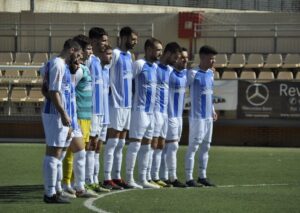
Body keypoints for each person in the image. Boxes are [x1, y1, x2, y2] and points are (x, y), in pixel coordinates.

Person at [41, 39, 90, 203]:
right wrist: (62, 113)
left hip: (66, 115)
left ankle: (66, 188)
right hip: (56, 115)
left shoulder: (64, 66)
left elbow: (48, 88)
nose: (80, 56)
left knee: (75, 150)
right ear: (71, 50)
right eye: (79, 53)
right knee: (54, 153)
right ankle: (50, 194)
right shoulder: (57, 64)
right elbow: (53, 91)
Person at [103, 26, 138, 189]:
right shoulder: (115, 54)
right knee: (112, 142)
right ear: (123, 38)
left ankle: (116, 176)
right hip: (115, 103)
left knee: (121, 142)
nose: (135, 42)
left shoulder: (129, 56)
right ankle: (106, 177)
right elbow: (106, 72)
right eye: (133, 39)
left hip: (126, 104)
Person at [125, 38, 163, 189]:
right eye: (157, 50)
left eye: (160, 50)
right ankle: (129, 178)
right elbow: (127, 82)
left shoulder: (155, 66)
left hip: (151, 112)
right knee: (135, 144)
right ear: (148, 50)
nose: (159, 53)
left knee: (147, 146)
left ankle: (143, 178)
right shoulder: (139, 64)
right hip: (139, 110)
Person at [185, 45, 218, 187]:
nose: (213, 62)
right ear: (202, 58)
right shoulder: (192, 73)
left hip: (208, 117)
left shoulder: (211, 74)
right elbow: (184, 89)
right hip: (197, 117)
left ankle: (202, 176)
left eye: (214, 59)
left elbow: (210, 93)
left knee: (206, 147)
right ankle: (188, 178)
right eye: (211, 58)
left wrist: (213, 110)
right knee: (193, 147)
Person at [149, 42, 181, 187]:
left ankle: (156, 177)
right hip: (154, 111)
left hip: (165, 113)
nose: (176, 60)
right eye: (175, 57)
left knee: (161, 145)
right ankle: (148, 177)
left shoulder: (170, 70)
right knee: (152, 144)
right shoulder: (154, 67)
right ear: (167, 53)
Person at [84, 27, 110, 192]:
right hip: (92, 111)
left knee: (97, 146)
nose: (106, 44)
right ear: (93, 41)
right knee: (90, 145)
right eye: (104, 40)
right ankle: (86, 180)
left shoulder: (102, 65)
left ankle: (94, 179)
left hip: (102, 113)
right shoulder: (89, 61)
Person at [165, 47, 189, 188]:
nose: (185, 60)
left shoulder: (185, 74)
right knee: (171, 146)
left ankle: (164, 176)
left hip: (179, 117)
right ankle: (172, 177)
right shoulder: (169, 73)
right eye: (182, 57)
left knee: (171, 147)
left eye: (186, 57)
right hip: (169, 115)